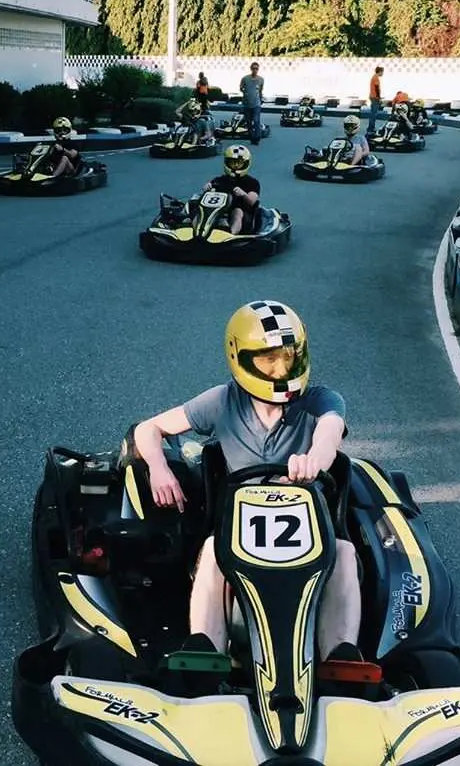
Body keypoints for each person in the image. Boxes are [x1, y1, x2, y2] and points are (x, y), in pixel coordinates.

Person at [130, 300, 360, 662]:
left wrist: (313, 461)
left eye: (289, 356)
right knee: (211, 553)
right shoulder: (223, 401)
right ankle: (206, 649)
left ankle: (341, 657)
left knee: (345, 553)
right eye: (269, 358)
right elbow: (149, 428)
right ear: (243, 358)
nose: (282, 367)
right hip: (241, 522)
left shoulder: (320, 400)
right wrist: (160, 469)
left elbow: (330, 435)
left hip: (308, 520)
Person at [199, 145, 261, 236]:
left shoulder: (252, 183)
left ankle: (230, 233)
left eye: (239, 163)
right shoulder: (219, 180)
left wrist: (243, 194)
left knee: (237, 211)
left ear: (246, 164)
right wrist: (206, 188)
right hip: (219, 210)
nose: (235, 166)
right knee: (198, 206)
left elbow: (251, 201)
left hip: (243, 215)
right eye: (233, 162)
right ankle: (196, 227)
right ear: (227, 163)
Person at [239, 62, 264, 141]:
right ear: (251, 69)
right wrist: (245, 92)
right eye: (253, 68)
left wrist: (260, 99)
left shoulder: (261, 79)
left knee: (256, 121)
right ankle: (251, 136)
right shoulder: (245, 78)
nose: (255, 70)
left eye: (256, 68)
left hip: (256, 103)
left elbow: (260, 90)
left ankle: (257, 137)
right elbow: (241, 87)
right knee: (248, 121)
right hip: (246, 104)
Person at [368, 66, 384, 134]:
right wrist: (379, 98)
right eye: (382, 72)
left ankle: (370, 127)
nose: (383, 73)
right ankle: (371, 128)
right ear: (380, 71)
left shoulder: (374, 77)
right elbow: (377, 88)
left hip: (372, 96)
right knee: (374, 114)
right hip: (375, 98)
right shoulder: (376, 78)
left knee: (372, 113)